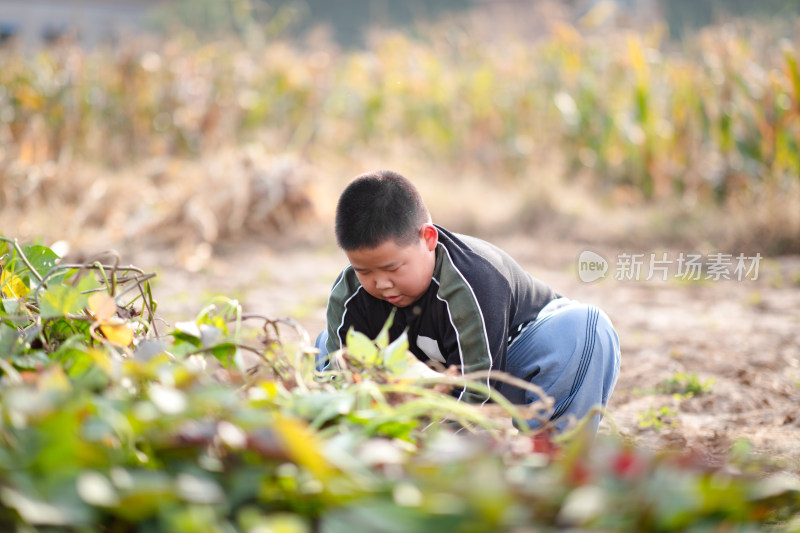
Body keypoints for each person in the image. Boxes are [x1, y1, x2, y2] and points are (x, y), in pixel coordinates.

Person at [315, 170, 620, 434]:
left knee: (585, 325)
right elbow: (340, 380)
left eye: (393, 268)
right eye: (364, 270)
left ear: (429, 239)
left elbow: (478, 390)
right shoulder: (351, 295)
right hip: (435, 381)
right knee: (322, 347)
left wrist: (425, 442)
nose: (380, 283)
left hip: (511, 368)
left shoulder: (474, 278)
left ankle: (554, 458)